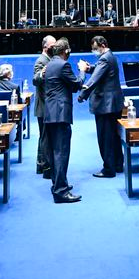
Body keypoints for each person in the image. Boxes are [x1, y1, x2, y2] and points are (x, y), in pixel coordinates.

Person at [43, 38, 83, 203]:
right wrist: (82, 71)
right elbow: (77, 84)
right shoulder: (64, 65)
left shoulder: (50, 64)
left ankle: (58, 184)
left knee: (53, 152)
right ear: (66, 51)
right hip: (60, 114)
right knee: (61, 152)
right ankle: (60, 192)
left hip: (50, 113)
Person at [78, 35, 124, 178]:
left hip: (105, 105)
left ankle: (108, 169)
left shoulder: (104, 58)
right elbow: (100, 70)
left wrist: (82, 95)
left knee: (105, 138)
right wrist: (89, 68)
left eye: (96, 48)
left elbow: (94, 80)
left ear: (103, 45)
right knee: (114, 136)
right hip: (114, 103)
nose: (94, 51)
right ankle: (117, 164)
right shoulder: (111, 56)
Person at [33, 35, 55, 178]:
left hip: (46, 105)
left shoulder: (49, 59)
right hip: (44, 105)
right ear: (45, 46)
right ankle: (44, 165)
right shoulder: (41, 61)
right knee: (45, 137)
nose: (55, 47)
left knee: (45, 136)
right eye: (52, 45)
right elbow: (37, 79)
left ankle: (42, 164)